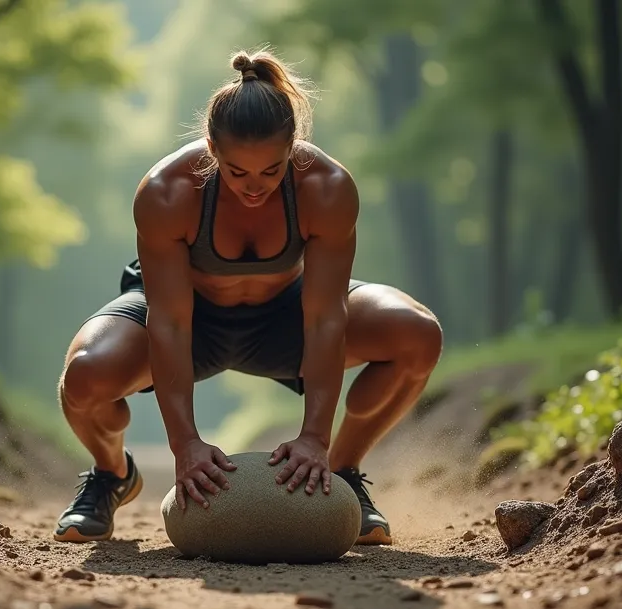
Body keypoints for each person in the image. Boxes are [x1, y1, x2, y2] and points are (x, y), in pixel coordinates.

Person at [52, 47, 443, 546]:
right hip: (189, 322)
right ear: (212, 149)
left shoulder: (327, 187)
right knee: (84, 376)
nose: (255, 187)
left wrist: (314, 439)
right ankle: (112, 476)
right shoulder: (167, 191)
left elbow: (325, 316)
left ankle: (341, 473)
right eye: (237, 173)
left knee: (417, 336)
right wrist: (185, 443)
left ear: (293, 148)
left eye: (272, 171)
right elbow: (169, 322)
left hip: (289, 320)